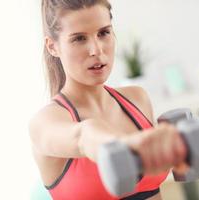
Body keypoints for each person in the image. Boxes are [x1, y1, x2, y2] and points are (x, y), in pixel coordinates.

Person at [29, 1, 188, 199]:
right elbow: (83, 136)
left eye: (103, 33)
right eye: (79, 38)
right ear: (53, 46)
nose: (96, 50)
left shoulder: (137, 99)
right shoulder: (45, 122)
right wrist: (132, 145)